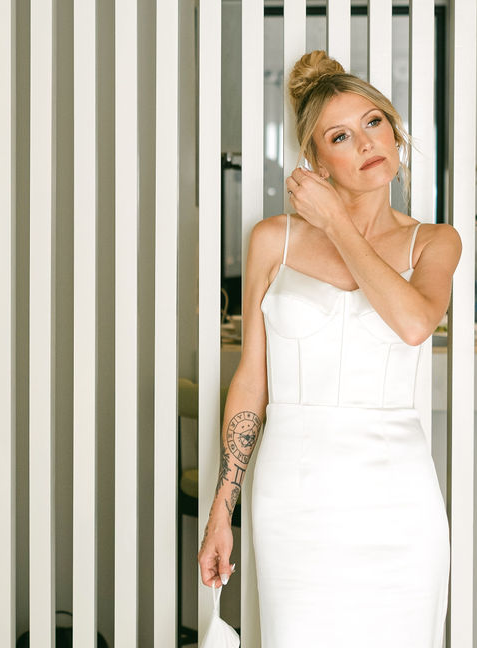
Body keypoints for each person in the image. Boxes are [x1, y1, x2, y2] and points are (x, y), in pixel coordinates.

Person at [197, 50, 460, 646]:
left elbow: (415, 323)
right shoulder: (273, 240)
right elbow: (251, 382)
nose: (367, 143)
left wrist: (337, 222)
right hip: (296, 493)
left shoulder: (435, 243)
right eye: (341, 135)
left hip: (399, 496)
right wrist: (223, 507)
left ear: (394, 129)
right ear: (316, 159)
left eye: (374, 122)